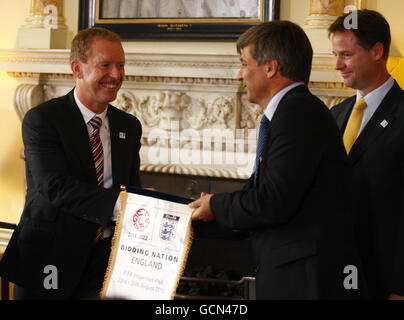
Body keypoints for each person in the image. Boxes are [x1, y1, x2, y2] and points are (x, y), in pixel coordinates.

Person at [189, 20, 366, 300]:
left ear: (270, 68)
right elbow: (259, 194)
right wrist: (191, 217)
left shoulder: (298, 114)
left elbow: (271, 202)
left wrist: (215, 205)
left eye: (244, 63)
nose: (239, 74)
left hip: (305, 281)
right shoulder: (288, 112)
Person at [0, 27, 142, 299]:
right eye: (106, 65)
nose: (116, 74)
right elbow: (54, 186)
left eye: (121, 64)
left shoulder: (129, 126)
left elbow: (131, 187)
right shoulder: (43, 119)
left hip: (105, 263)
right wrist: (122, 205)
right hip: (49, 259)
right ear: (77, 68)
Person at [329, 9, 404, 300]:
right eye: (335, 54)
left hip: (383, 281)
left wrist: (400, 287)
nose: (337, 65)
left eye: (346, 55)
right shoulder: (336, 115)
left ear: (377, 51)